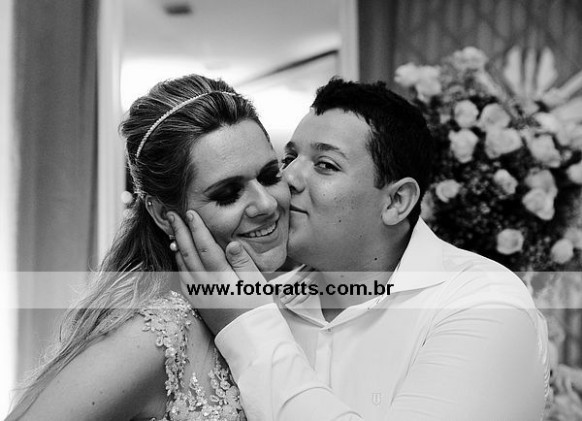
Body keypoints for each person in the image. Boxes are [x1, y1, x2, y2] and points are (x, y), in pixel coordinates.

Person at [170, 78, 551, 420]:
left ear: (396, 201)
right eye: (289, 158)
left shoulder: (481, 303)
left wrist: (248, 328)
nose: (287, 178)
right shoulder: (267, 300)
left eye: (325, 164)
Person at [7, 74, 289, 420]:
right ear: (162, 214)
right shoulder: (156, 333)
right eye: (228, 194)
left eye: (270, 176)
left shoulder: (273, 302)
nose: (266, 204)